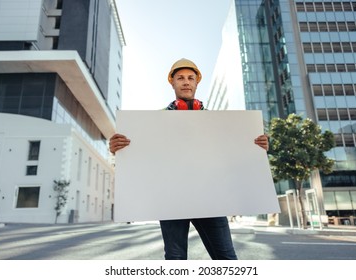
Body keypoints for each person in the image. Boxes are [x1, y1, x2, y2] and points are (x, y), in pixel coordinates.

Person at [109, 58, 269, 260]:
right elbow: (141, 157)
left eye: (191, 78)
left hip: (210, 197)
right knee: (175, 259)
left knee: (226, 258)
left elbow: (234, 156)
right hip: (171, 198)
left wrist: (256, 147)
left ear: (196, 82)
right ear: (172, 82)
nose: (186, 82)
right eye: (180, 78)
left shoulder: (219, 122)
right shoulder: (151, 121)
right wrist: (118, 149)